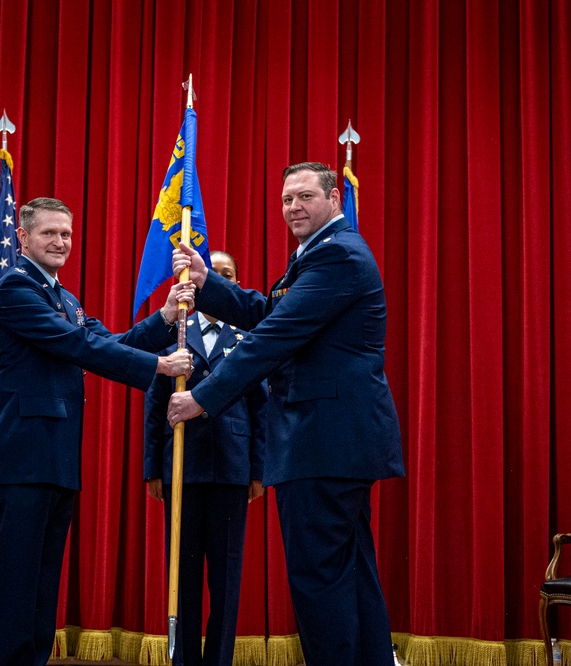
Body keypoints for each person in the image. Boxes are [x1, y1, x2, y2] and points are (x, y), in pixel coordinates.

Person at [167, 163, 404, 666]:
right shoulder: (319, 254)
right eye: (286, 199)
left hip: (324, 440)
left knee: (320, 577)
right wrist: (209, 284)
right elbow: (272, 312)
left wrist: (203, 398)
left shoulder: (337, 254)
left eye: (304, 197)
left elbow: (273, 338)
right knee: (350, 572)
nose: (293, 208)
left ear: (335, 198)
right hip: (330, 442)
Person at [0, 197, 194, 666]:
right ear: (23, 238)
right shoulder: (16, 289)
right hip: (21, 459)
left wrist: (165, 319)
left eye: (67, 234)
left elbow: (111, 343)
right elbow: (79, 346)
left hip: (56, 461)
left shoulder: (65, 298)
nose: (60, 242)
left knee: (41, 586)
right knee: (17, 583)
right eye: (49, 233)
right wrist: (160, 364)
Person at [143, 250, 266, 666]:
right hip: (182, 466)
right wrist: (151, 469)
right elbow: (154, 405)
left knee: (227, 576)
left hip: (233, 468)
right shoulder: (175, 331)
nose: (218, 279)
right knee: (184, 572)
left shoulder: (249, 338)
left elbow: (261, 409)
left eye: (226, 274)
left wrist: (258, 471)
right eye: (211, 273)